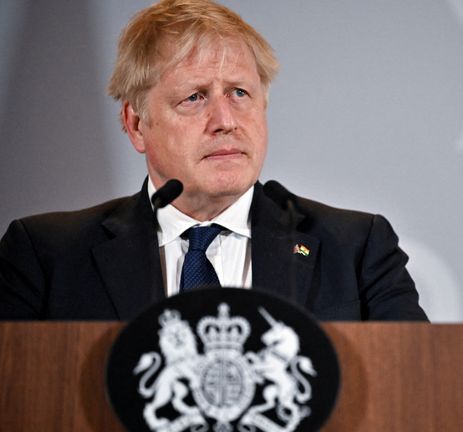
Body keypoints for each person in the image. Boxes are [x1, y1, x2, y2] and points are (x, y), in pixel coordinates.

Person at [0, 0, 427, 322]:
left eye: (240, 93)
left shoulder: (356, 249)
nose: (225, 122)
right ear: (135, 125)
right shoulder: (45, 257)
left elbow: (418, 395)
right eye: (194, 97)